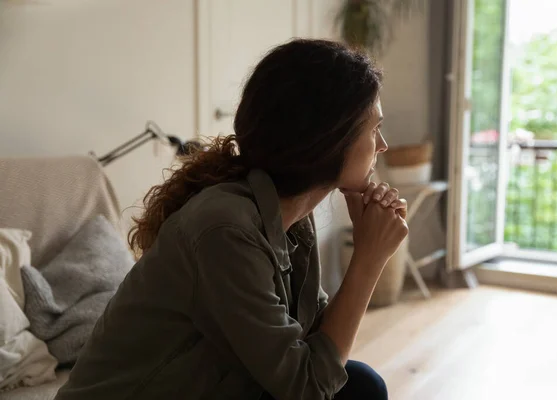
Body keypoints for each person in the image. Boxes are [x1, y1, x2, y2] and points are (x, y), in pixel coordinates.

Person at [54, 39, 408, 400]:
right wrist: (368, 259)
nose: (382, 145)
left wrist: (370, 246)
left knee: (359, 383)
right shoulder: (225, 229)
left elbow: (313, 341)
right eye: (373, 128)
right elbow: (307, 388)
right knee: (358, 388)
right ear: (330, 137)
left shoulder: (292, 219)